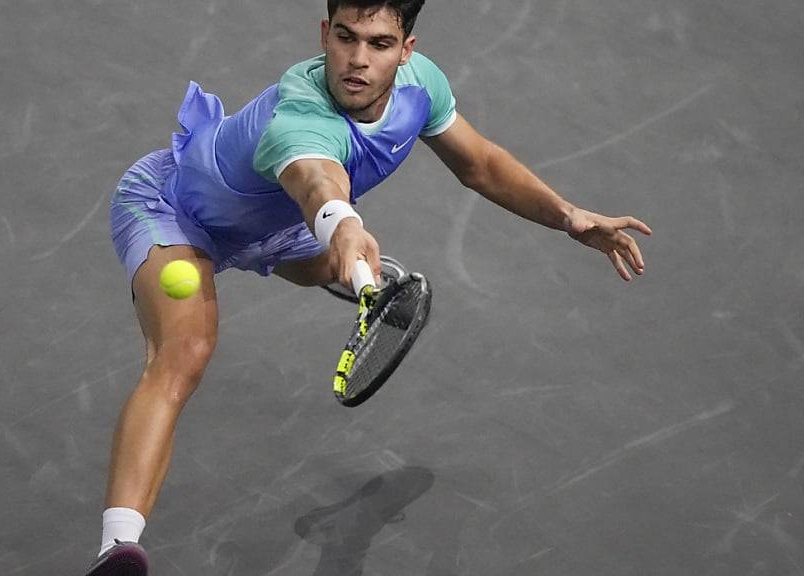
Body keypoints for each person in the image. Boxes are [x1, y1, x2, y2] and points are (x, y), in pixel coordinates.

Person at [88, 1, 652, 574]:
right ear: (324, 35)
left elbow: (480, 164)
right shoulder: (298, 118)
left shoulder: (421, 88)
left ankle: (352, 273)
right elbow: (319, 184)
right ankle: (118, 550)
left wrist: (568, 216)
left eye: (379, 44)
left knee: (324, 262)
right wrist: (344, 224)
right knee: (187, 350)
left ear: (407, 50)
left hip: (273, 226)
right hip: (174, 212)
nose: (357, 59)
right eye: (345, 37)